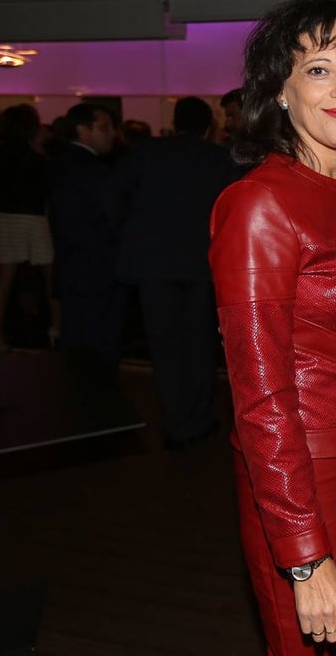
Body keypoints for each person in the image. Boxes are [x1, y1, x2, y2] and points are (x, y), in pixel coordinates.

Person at [208, 0, 336, 656]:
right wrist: (303, 554)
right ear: (280, 91)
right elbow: (260, 399)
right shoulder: (259, 204)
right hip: (305, 480)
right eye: (320, 70)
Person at [109, 96, 239, 450]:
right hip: (202, 265)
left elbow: (114, 198)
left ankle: (174, 419)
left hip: (153, 266)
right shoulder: (219, 160)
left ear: (175, 122)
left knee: (164, 347)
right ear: (207, 126)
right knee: (199, 344)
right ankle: (196, 418)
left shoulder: (145, 153)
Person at [0, 104, 57, 352]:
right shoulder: (35, 155)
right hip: (32, 216)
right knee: (51, 274)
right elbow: (46, 186)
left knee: (3, 278)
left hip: (2, 216)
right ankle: (56, 328)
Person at [49, 103, 123, 364]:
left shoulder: (63, 163)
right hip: (95, 270)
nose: (112, 133)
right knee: (95, 349)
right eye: (105, 127)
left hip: (74, 268)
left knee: (79, 345)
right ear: (83, 129)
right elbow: (109, 221)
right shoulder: (91, 170)